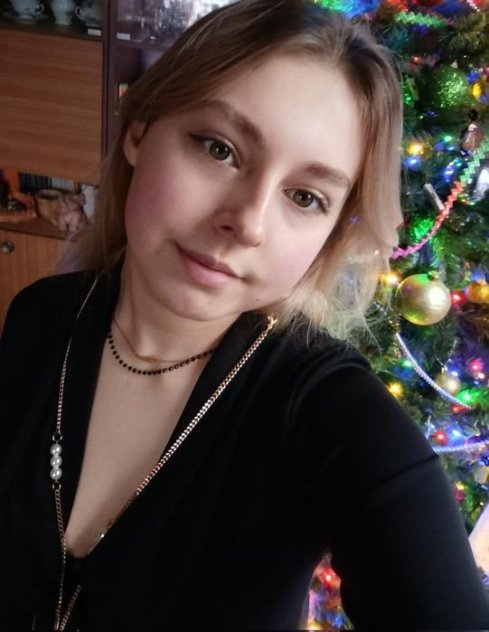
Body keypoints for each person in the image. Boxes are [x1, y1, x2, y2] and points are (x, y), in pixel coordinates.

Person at [1, 1, 488, 629]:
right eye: (219, 149)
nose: (249, 223)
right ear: (140, 129)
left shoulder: (333, 417)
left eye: (305, 197)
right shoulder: (40, 317)